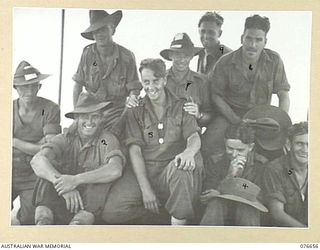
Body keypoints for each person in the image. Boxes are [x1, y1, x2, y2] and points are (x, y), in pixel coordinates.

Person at [125, 58, 204, 225]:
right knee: (114, 211)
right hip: (148, 173)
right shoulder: (135, 110)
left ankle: (177, 232)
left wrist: (188, 153)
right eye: (146, 82)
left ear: (165, 79)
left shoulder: (182, 105)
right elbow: (135, 150)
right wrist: (146, 190)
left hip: (172, 172)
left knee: (181, 168)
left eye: (156, 80)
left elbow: (194, 136)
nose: (151, 87)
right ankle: (158, 216)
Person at [30, 93, 126, 225]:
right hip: (63, 197)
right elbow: (37, 160)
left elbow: (115, 170)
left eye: (95, 117)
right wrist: (64, 185)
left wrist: (75, 180)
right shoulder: (65, 139)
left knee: (99, 184)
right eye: (85, 116)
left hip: (88, 204)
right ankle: (43, 224)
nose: (90, 122)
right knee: (46, 173)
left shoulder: (104, 140)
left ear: (101, 119)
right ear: (76, 118)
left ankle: (77, 227)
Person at [204, 14, 290, 156]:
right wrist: (235, 120)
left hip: (261, 117)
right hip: (230, 115)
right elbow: (216, 95)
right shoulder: (225, 62)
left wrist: (280, 120)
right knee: (208, 144)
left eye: (258, 40)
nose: (252, 45)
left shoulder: (274, 60)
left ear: (265, 41)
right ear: (242, 38)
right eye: (249, 38)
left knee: (280, 151)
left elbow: (283, 93)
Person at [72, 10, 141, 136]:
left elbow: (134, 91)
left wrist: (122, 120)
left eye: (103, 29)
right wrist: (77, 115)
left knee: (115, 140)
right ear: (92, 34)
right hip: (90, 110)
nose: (100, 34)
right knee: (69, 136)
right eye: (96, 31)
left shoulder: (127, 56)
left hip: (116, 111)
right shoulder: (87, 53)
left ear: (112, 30)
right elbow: (78, 85)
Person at [12, 61, 61, 225]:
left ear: (39, 86)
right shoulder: (6, 108)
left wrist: (14, 141)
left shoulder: (50, 108)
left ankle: (23, 212)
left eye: (33, 86)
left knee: (30, 220)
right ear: (15, 88)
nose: (29, 91)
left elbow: (50, 146)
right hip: (7, 171)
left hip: (34, 173)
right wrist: (37, 145)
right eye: (24, 87)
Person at [200, 123, 268, 226]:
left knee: (247, 208)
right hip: (221, 209)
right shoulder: (215, 161)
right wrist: (230, 175)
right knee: (215, 204)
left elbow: (260, 197)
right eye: (230, 148)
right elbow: (207, 194)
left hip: (247, 210)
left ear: (250, 147)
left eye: (240, 150)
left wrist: (224, 192)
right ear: (224, 143)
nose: (234, 154)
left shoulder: (261, 164)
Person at [158, 32, 212, 128]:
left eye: (186, 55)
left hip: (191, 135)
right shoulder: (159, 79)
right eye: (177, 55)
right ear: (170, 55)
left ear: (191, 56)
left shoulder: (202, 82)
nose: (182, 60)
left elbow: (210, 116)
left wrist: (198, 114)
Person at [263, 122, 308, 227]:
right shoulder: (275, 169)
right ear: (288, 144)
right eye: (299, 144)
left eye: (309, 144)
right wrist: (307, 232)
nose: (305, 150)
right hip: (285, 233)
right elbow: (277, 214)